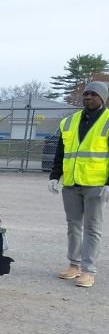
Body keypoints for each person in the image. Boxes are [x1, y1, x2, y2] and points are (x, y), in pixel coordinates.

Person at [48, 81, 109, 288]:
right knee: (73, 225)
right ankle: (74, 265)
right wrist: (55, 176)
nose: (88, 97)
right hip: (72, 183)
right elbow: (61, 152)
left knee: (92, 228)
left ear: (103, 98)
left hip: (96, 184)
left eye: (93, 94)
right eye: (86, 94)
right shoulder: (69, 122)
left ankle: (88, 271)